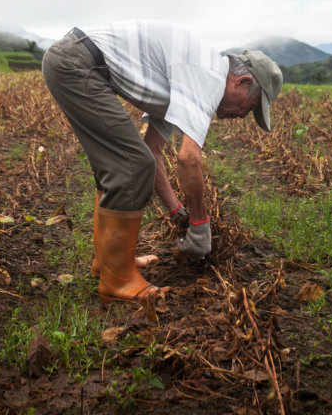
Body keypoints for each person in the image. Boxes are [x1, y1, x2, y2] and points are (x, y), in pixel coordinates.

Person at [41, 21, 283, 302]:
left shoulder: (189, 81)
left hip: (76, 61)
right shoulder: (209, 77)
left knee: (125, 164)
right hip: (78, 64)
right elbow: (188, 159)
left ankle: (107, 263)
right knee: (131, 165)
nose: (242, 116)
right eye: (250, 107)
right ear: (242, 82)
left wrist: (176, 210)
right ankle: (117, 280)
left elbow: (154, 150)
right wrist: (200, 223)